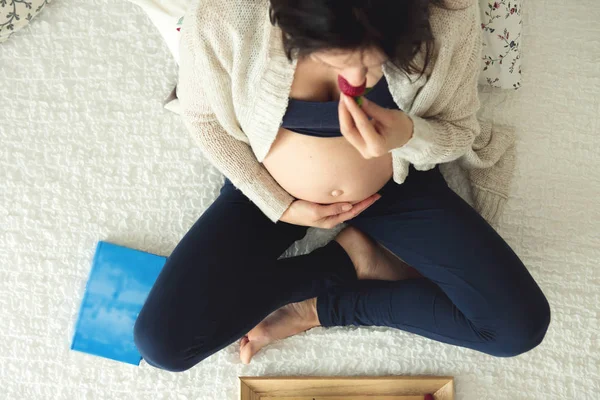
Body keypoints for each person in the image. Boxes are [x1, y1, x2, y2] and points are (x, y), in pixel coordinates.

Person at [133, 0, 550, 372]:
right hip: (266, 191)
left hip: (396, 186)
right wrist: (279, 204)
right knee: (164, 344)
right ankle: (342, 263)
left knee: (517, 328)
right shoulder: (228, 12)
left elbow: (458, 130)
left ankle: (321, 302)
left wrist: (408, 133)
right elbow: (205, 119)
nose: (356, 77)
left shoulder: (444, 13)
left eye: (373, 64)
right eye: (336, 60)